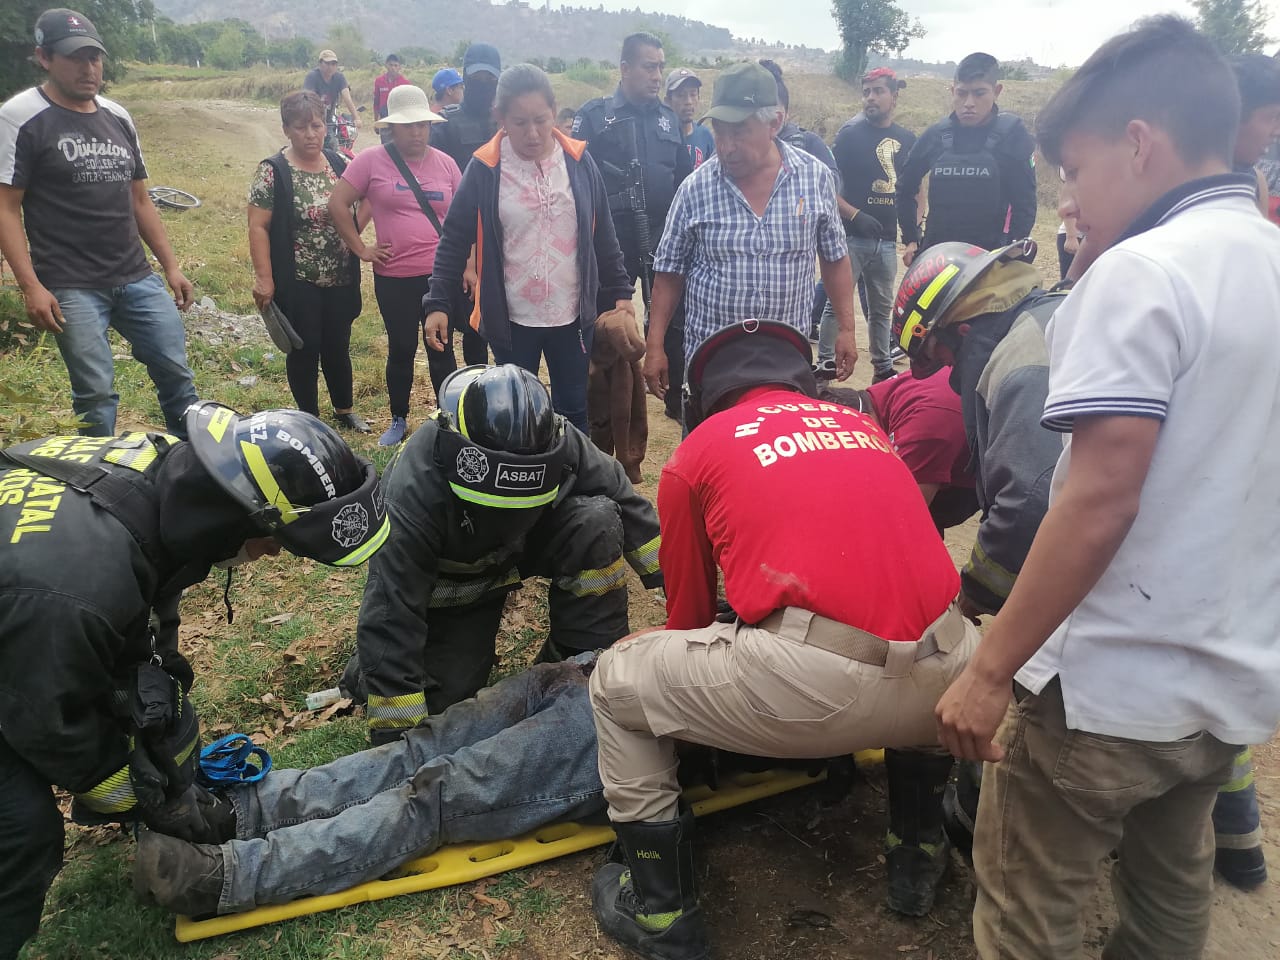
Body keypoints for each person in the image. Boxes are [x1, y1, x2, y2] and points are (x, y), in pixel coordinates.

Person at [934, 17, 1280, 958]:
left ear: (1138, 143)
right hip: (1228, 687)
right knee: (1170, 898)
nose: (1071, 203)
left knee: (1027, 911)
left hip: (1105, 697)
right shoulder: (1269, 256)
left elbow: (1096, 498)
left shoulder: (1145, 273)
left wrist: (990, 668)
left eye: (1076, 172)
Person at [588, 321, 980, 960]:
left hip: (819, 689)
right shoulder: (865, 428)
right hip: (953, 673)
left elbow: (687, 616)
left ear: (705, 397)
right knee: (916, 657)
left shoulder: (697, 453)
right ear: (804, 380)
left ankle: (659, 909)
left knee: (616, 681)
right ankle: (918, 856)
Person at [0, 402, 388, 960]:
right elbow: (48, 726)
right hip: (31, 612)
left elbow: (153, 591)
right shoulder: (80, 593)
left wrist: (164, 704)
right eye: (273, 540)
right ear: (234, 516)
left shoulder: (169, 475)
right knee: (19, 832)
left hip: (31, 603)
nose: (274, 553)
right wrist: (138, 797)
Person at [134, 656, 603, 917]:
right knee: (417, 750)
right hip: (596, 670)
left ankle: (229, 876)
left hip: (617, 727)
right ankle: (241, 813)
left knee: (436, 793)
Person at [342, 364, 663, 742]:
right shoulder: (414, 489)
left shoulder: (557, 439)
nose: (506, 516)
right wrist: (395, 741)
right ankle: (363, 672)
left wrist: (682, 594)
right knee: (449, 705)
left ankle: (578, 659)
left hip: (519, 555)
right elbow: (391, 611)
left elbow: (625, 502)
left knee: (597, 519)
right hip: (456, 591)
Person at [0, 8, 199, 439]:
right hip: (70, 285)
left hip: (135, 276)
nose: (89, 68)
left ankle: (196, 467)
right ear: (44, 57)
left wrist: (170, 265)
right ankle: (98, 484)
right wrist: (31, 285)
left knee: (177, 377)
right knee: (95, 395)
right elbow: (6, 207)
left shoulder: (117, 116)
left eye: (95, 58)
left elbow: (140, 200)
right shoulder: (20, 117)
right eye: (75, 58)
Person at [422, 65, 634, 433]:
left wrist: (620, 293)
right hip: (513, 319)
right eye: (519, 122)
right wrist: (437, 302)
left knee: (573, 410)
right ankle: (524, 484)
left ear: (555, 111)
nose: (533, 133)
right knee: (517, 414)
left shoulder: (580, 162)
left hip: (571, 317)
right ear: (500, 117)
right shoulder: (485, 168)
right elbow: (454, 238)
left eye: (541, 119)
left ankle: (573, 482)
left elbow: (604, 235)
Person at [642, 61, 859, 410]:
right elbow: (668, 275)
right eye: (719, 131)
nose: (726, 146)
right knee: (711, 457)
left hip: (787, 367)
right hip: (711, 366)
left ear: (775, 122)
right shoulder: (694, 189)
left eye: (739, 131)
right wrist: (655, 347)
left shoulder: (814, 178)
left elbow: (834, 259)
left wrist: (847, 330)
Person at [327, 85, 460, 447]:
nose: (417, 133)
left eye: (422, 125)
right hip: (394, 276)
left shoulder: (446, 164)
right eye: (408, 126)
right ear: (392, 128)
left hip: (438, 277)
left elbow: (463, 220)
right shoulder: (371, 161)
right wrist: (361, 248)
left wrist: (468, 265)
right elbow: (338, 204)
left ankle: (446, 422)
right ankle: (399, 419)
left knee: (441, 349)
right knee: (401, 348)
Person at [575, 33, 693, 421]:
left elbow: (683, 180)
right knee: (611, 329)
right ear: (625, 68)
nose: (657, 75)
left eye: (660, 66)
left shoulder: (669, 118)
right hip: (610, 246)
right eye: (649, 66)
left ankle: (674, 397)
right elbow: (575, 182)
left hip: (663, 237)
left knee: (672, 322)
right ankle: (606, 409)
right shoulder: (594, 116)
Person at [247, 91, 369, 433]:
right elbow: (258, 226)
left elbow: (365, 200)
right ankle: (309, 420)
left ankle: (344, 410)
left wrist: (357, 239)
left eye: (317, 125)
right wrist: (264, 278)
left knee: (338, 345)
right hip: (298, 277)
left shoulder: (340, 163)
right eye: (301, 127)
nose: (311, 134)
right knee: (304, 347)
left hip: (341, 275)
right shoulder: (274, 172)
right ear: (286, 129)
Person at [819, 67, 917, 383]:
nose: (871, 98)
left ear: (894, 96)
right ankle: (823, 366)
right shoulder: (850, 136)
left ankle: (883, 369)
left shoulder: (907, 139)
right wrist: (854, 215)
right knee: (836, 306)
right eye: (866, 92)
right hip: (851, 237)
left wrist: (914, 235)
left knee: (881, 310)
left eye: (878, 91)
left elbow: (915, 190)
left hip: (887, 241)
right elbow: (827, 188)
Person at [896, 53, 1037, 266]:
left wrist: (1013, 247)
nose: (969, 103)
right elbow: (905, 187)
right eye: (961, 94)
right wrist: (911, 239)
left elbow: (1025, 201)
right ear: (953, 91)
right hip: (936, 257)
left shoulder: (1012, 136)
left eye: (979, 93)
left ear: (997, 91)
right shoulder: (936, 135)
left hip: (989, 260)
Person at [823, 368, 976, 536]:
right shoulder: (880, 395)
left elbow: (903, 518)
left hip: (983, 476)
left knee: (894, 519)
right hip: (960, 417)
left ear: (865, 420)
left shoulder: (921, 431)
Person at [430, 44, 505, 369]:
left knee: (503, 324)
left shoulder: (509, 122)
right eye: (478, 78)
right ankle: (474, 389)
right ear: (465, 79)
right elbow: (439, 192)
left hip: (505, 236)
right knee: (471, 326)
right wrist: (467, 256)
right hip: (460, 238)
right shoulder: (445, 126)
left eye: (491, 78)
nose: (484, 84)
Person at [758, 59, 838, 172]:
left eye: (771, 112)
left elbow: (834, 183)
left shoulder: (811, 144)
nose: (764, 117)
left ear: (785, 115)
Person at [303, 50, 360, 148]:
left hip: (328, 121)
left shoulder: (339, 78)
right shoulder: (312, 77)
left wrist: (356, 117)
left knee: (333, 147)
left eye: (333, 64)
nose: (330, 67)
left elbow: (347, 97)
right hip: (311, 119)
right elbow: (308, 98)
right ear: (320, 64)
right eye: (327, 63)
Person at [665, 67, 714, 169]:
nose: (688, 101)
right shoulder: (663, 138)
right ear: (668, 101)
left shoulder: (705, 136)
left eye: (693, 94)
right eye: (681, 95)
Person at [372, 54, 410, 123]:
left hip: (400, 119)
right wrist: (376, 121)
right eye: (391, 65)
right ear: (386, 65)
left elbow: (408, 104)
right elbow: (376, 102)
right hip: (384, 118)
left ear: (399, 67)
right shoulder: (379, 81)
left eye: (395, 65)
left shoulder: (405, 83)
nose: (393, 68)